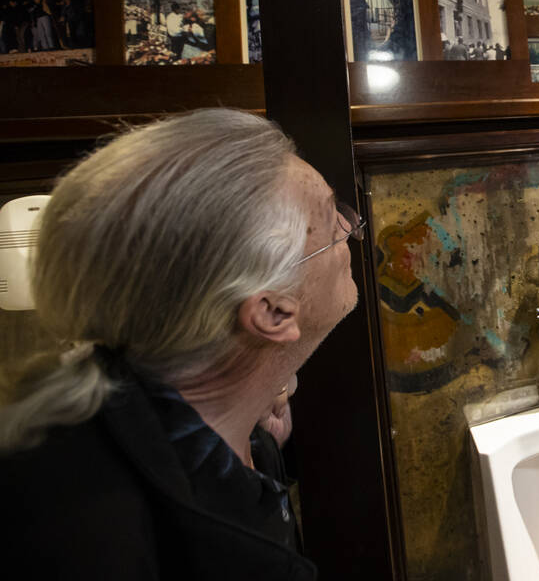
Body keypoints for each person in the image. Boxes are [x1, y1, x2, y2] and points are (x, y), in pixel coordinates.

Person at [0, 109, 362, 580]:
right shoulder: (92, 538)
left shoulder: (214, 426)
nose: (349, 228)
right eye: (331, 222)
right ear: (273, 313)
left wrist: (255, 417)